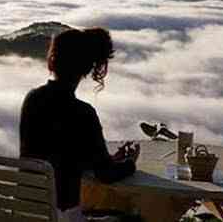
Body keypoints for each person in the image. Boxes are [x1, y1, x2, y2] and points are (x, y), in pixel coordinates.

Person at [20, 27, 139, 222]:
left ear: (53, 61)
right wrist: (130, 163)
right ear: (86, 69)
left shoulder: (32, 100)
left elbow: (54, 154)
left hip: (27, 212)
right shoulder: (83, 113)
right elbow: (106, 175)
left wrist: (103, 158)